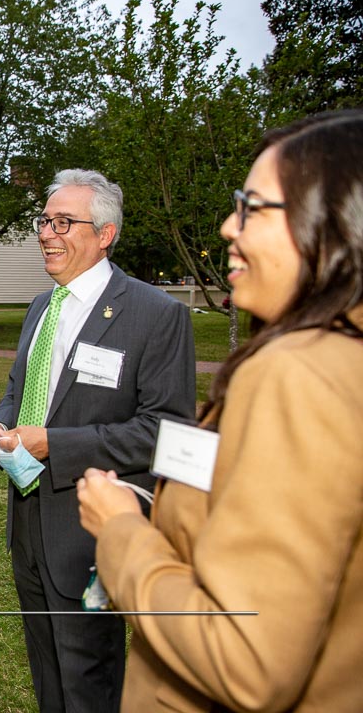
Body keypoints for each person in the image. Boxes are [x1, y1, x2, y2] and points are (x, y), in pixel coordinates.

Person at [76, 112, 363, 712]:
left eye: (253, 208)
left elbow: (247, 653)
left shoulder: (297, 374)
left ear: (331, 223)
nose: (228, 226)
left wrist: (122, 530)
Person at [0, 169, 196, 712]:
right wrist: (0, 426)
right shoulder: (40, 308)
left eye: (64, 222)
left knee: (89, 678)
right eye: (45, 220)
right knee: (46, 670)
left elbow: (166, 431)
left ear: (105, 233)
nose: (47, 233)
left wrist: (55, 444)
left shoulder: (156, 315)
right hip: (27, 522)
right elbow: (19, 389)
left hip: (94, 534)